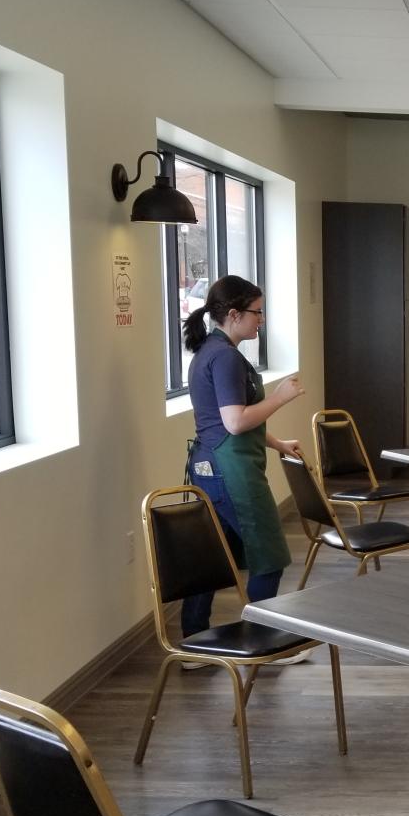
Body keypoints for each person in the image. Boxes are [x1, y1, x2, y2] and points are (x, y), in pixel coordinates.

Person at [181, 275, 305, 650]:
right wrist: (281, 398)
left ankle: (195, 642)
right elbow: (235, 422)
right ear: (234, 315)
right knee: (269, 555)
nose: (261, 320)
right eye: (257, 312)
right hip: (229, 470)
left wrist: (277, 442)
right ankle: (262, 643)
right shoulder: (224, 358)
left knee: (214, 558)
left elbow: (232, 420)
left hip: (210, 467)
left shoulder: (214, 353)